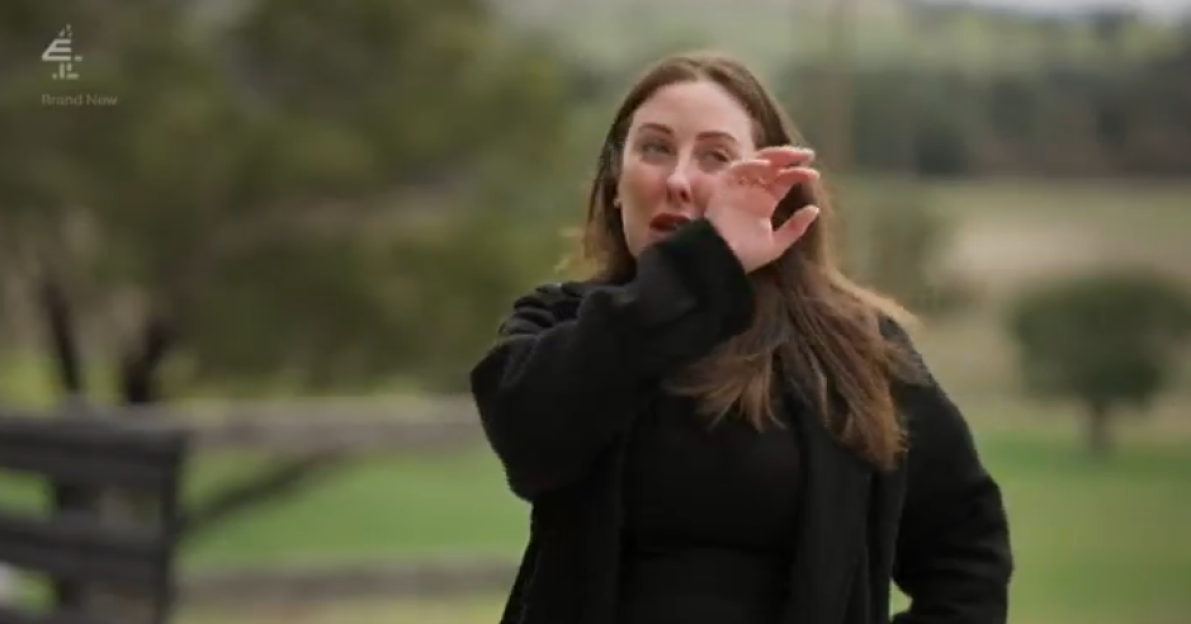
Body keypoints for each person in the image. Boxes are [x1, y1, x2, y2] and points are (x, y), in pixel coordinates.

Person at [468, 51, 1013, 624]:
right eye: (654, 148)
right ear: (614, 183)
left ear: (773, 192)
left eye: (716, 158)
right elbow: (531, 439)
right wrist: (704, 264)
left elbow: (967, 551)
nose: (679, 180)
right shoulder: (561, 328)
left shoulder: (855, 349)